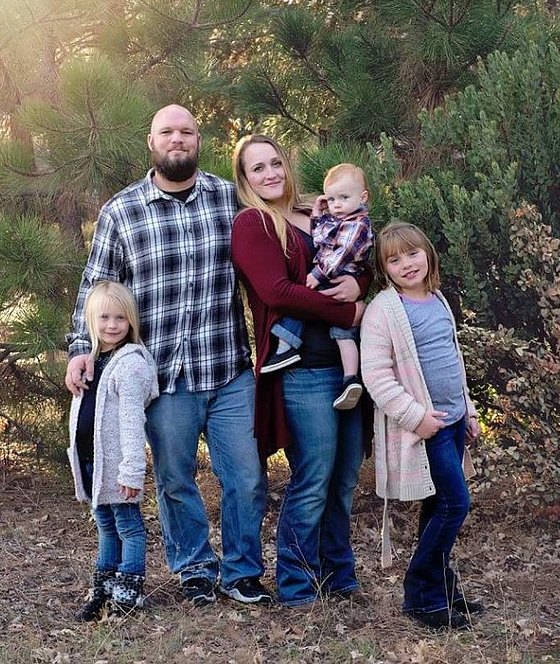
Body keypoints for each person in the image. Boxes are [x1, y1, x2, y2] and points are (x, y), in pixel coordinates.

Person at [65, 105, 271, 607]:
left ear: (198, 140)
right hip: (161, 378)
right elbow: (95, 288)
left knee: (245, 477)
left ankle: (242, 571)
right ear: (151, 141)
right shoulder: (122, 210)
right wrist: (79, 348)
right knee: (175, 479)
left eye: (187, 132)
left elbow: (282, 229)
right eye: (167, 132)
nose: (177, 140)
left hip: (227, 369)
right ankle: (195, 569)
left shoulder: (230, 200)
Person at [230, 133, 370, 607]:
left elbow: (357, 257)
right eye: (257, 168)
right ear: (245, 179)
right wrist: (347, 313)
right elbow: (276, 292)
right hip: (301, 370)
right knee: (313, 478)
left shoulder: (319, 212)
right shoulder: (252, 225)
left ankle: (339, 575)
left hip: (347, 364)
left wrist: (358, 282)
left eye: (275, 163)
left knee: (345, 477)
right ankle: (295, 583)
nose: (270, 173)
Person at [360, 221, 485, 630]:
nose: (406, 264)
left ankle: (442, 588)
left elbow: (453, 362)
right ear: (384, 269)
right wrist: (417, 418)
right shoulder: (385, 310)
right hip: (425, 427)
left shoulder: (437, 299)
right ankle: (420, 595)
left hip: (452, 423)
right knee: (455, 503)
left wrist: (467, 410)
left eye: (412, 253)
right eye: (394, 260)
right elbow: (377, 377)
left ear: (427, 253)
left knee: (438, 506)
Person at [68, 281, 159, 621]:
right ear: (91, 320)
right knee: (105, 525)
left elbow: (133, 423)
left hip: (118, 465)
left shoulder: (130, 364)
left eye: (120, 318)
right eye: (104, 317)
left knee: (129, 526)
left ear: (131, 320)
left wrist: (133, 469)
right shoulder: (92, 361)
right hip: (93, 461)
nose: (111, 325)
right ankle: (104, 588)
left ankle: (128, 592)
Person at [261, 163, 373, 411]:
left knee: (329, 320)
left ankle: (349, 377)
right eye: (332, 199)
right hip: (310, 367)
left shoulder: (358, 224)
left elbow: (342, 254)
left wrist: (322, 275)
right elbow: (321, 238)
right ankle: (348, 376)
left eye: (344, 198)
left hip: (333, 276)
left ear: (363, 197)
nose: (337, 204)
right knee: (335, 327)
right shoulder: (256, 220)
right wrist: (318, 213)